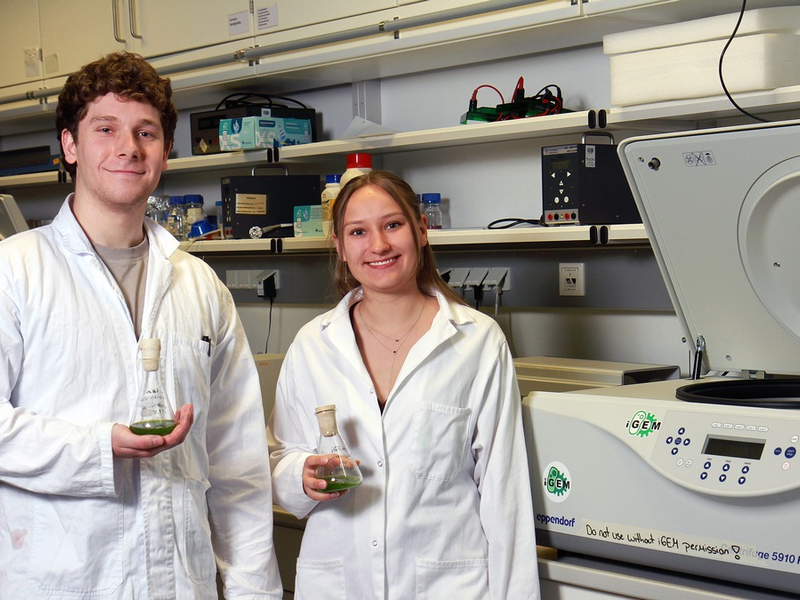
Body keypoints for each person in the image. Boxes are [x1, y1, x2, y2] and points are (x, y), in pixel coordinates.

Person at [0, 52, 281, 599]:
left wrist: (254, 592)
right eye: (105, 128)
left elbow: (238, 465)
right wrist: (100, 446)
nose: (128, 147)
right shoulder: (13, 272)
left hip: (179, 582)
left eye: (145, 132)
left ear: (165, 153)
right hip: (60, 581)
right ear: (71, 146)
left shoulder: (202, 287)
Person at [268, 170, 540, 599]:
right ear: (340, 247)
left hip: (447, 585)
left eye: (393, 225)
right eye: (358, 231)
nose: (378, 245)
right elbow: (280, 456)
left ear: (421, 231)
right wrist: (300, 477)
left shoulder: (476, 341)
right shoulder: (313, 345)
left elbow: (505, 495)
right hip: (340, 583)